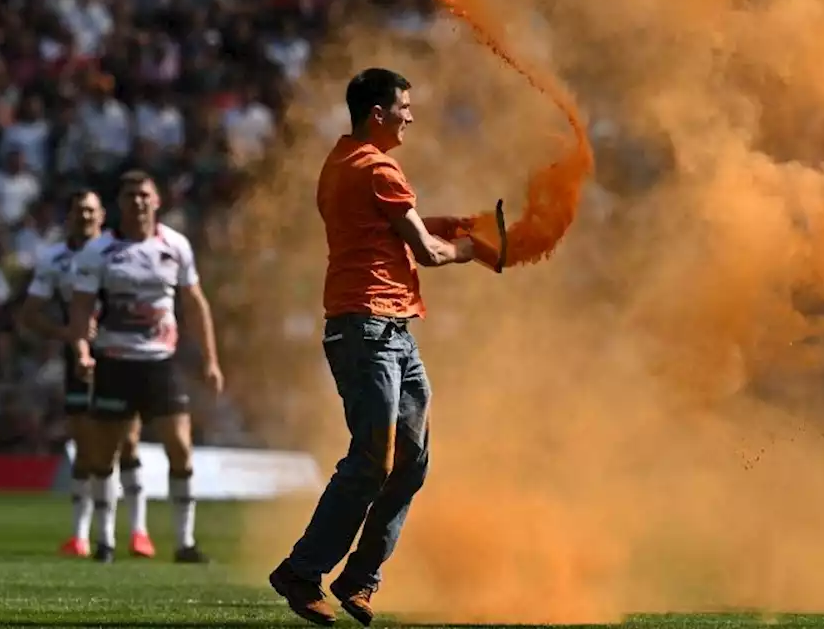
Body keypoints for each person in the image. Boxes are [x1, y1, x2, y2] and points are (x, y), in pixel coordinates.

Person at [269, 68, 501, 626]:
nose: (411, 116)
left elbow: (401, 227)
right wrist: (482, 248)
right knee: (374, 459)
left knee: (411, 461)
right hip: (369, 327)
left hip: (388, 329)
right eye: (405, 106)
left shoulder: (342, 161)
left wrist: (462, 226)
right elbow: (426, 251)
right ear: (378, 112)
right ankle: (301, 572)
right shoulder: (378, 167)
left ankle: (358, 579)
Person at [67, 170, 225, 564]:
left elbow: (194, 303)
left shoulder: (176, 246)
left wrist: (210, 359)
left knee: (181, 448)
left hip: (160, 363)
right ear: (119, 204)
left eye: (144, 195)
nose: (138, 202)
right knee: (104, 456)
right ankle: (104, 541)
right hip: (114, 363)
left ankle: (184, 543)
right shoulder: (97, 252)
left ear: (156, 201)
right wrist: (81, 351)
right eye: (130, 195)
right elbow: (81, 308)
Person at [18, 190, 155, 559]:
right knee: (86, 445)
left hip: (121, 356)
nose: (86, 216)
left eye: (92, 210)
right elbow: (29, 314)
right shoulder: (55, 259)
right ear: (70, 216)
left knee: (127, 440)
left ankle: (138, 532)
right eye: (79, 210)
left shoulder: (118, 252)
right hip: (77, 360)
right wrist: (68, 334)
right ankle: (81, 535)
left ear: (102, 214)